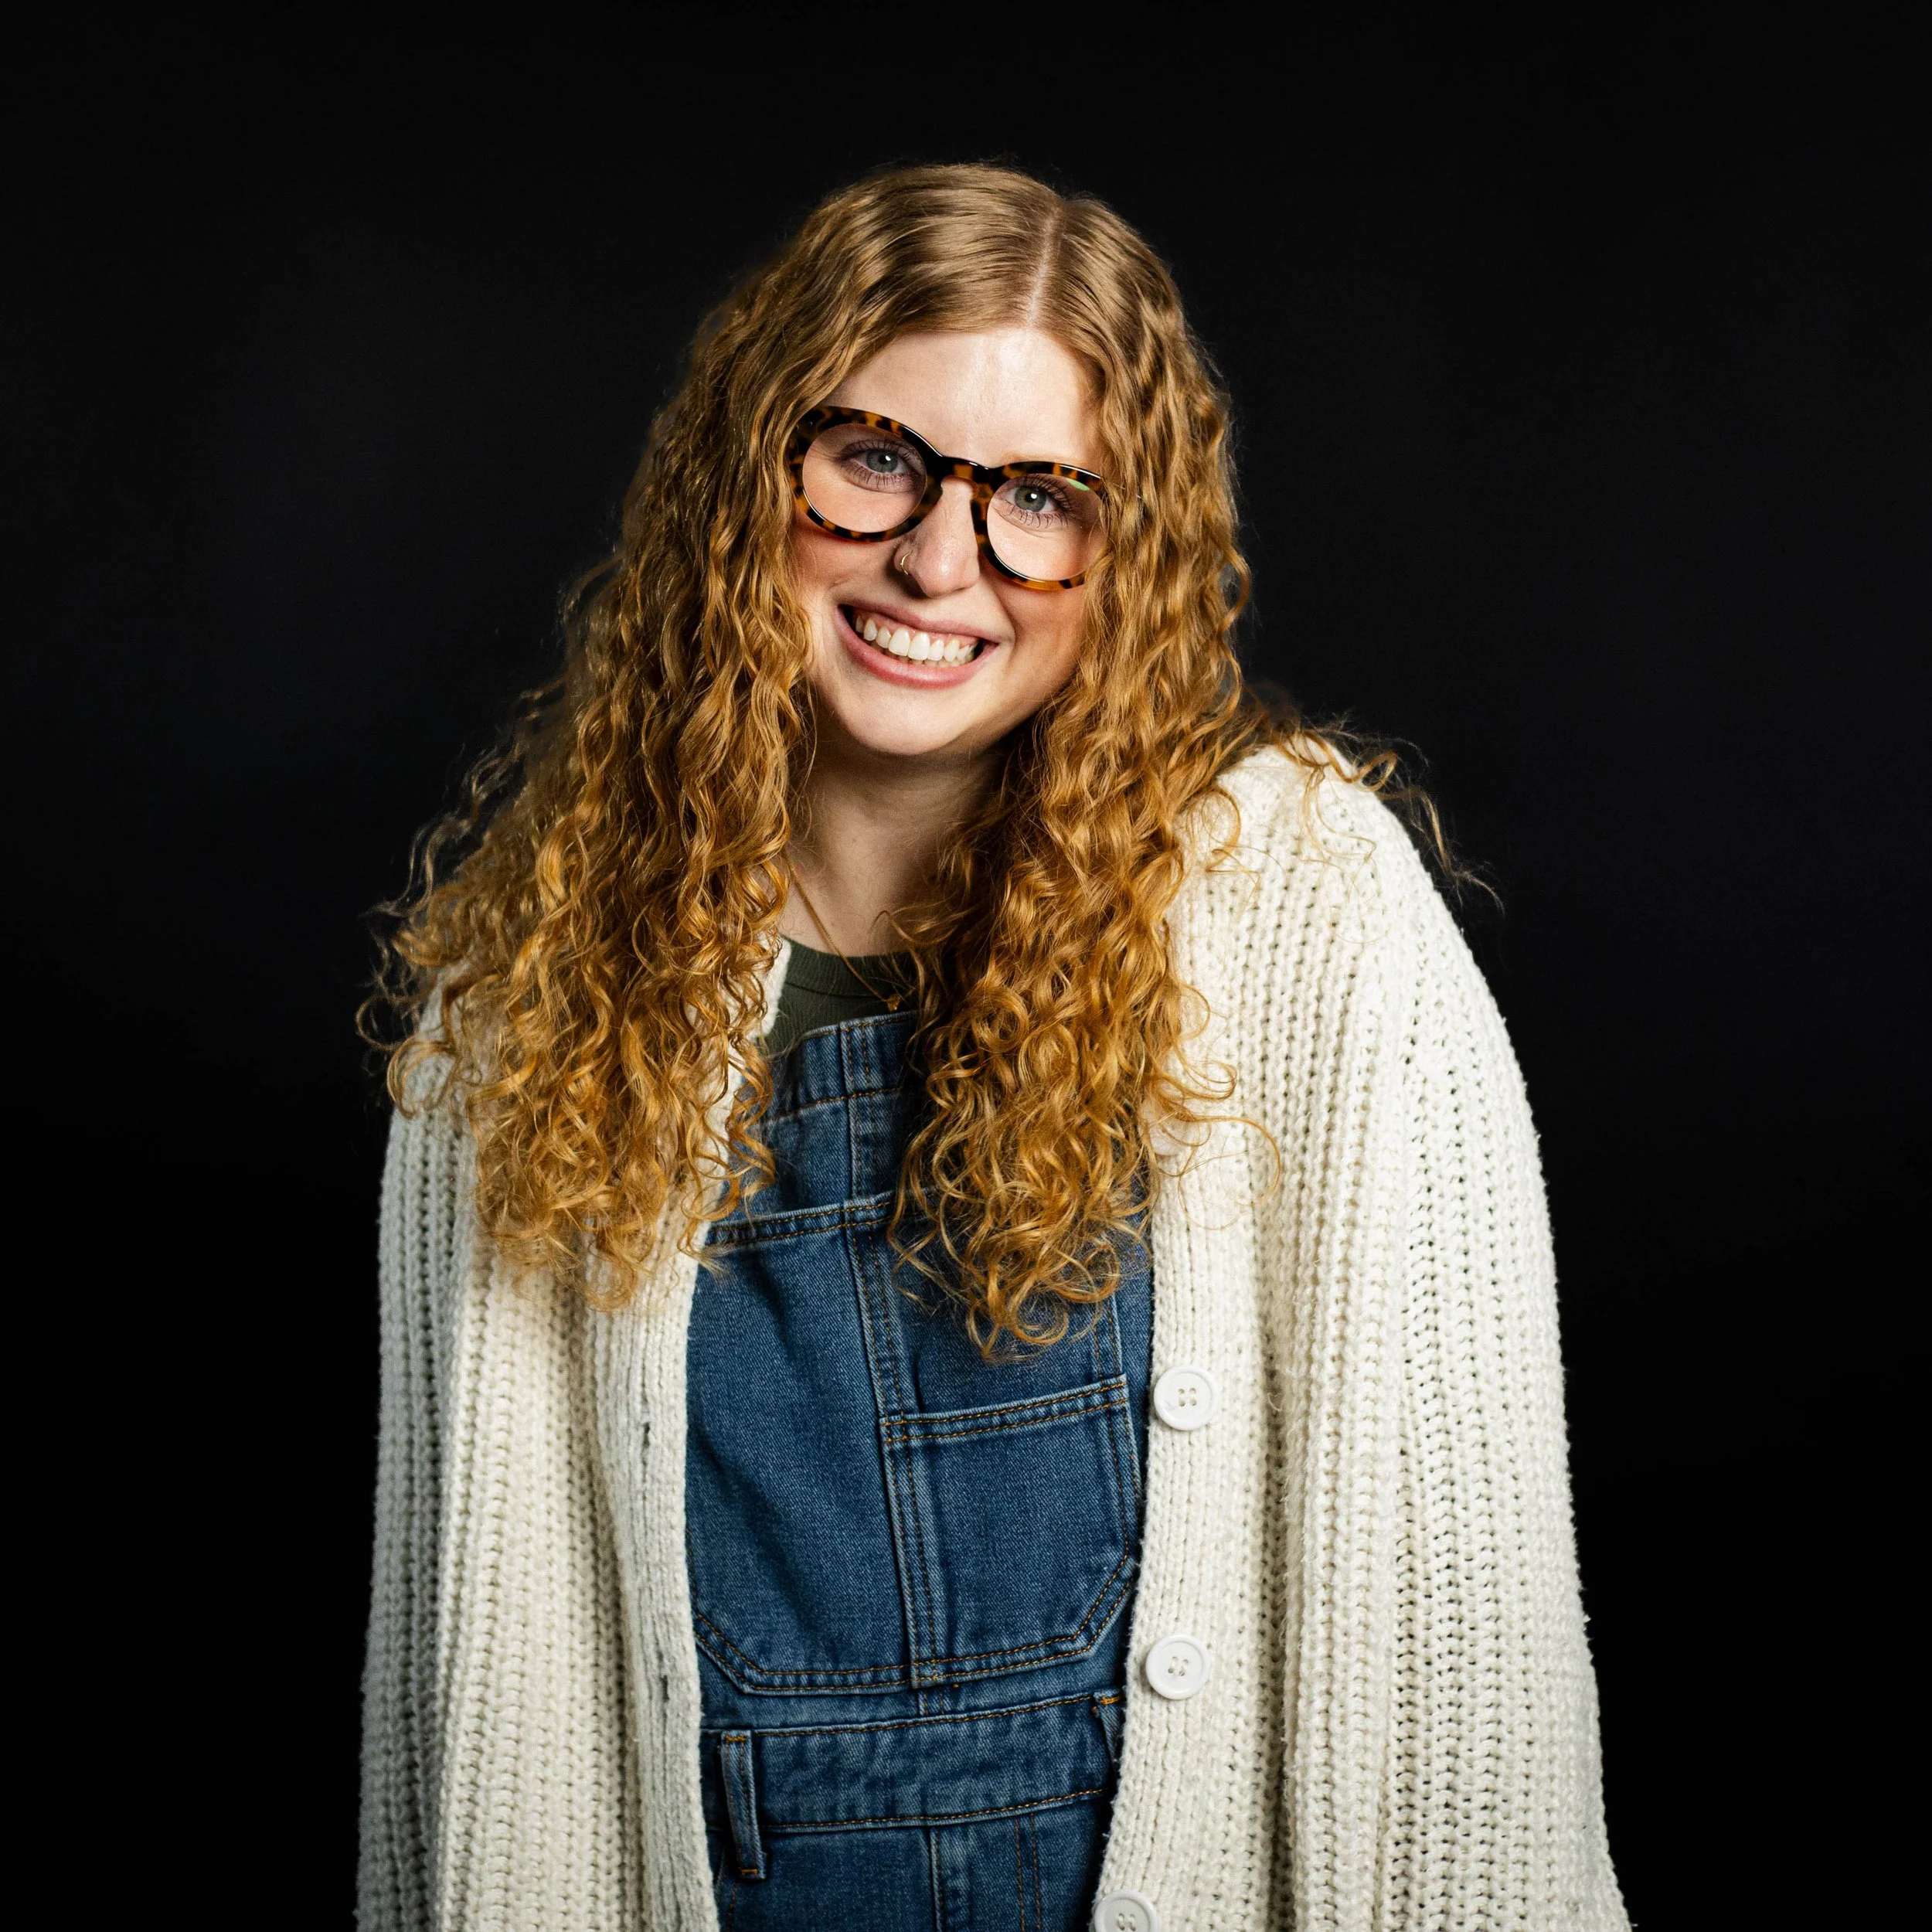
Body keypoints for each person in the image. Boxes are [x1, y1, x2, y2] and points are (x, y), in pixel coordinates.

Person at [359, 164, 1627, 1932]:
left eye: (1039, 495)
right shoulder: (528, 990)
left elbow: (1463, 1644)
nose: (941, 558)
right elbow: (455, 1695)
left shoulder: (1305, 921)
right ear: (754, 472)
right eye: (875, 456)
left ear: (1126, 555)